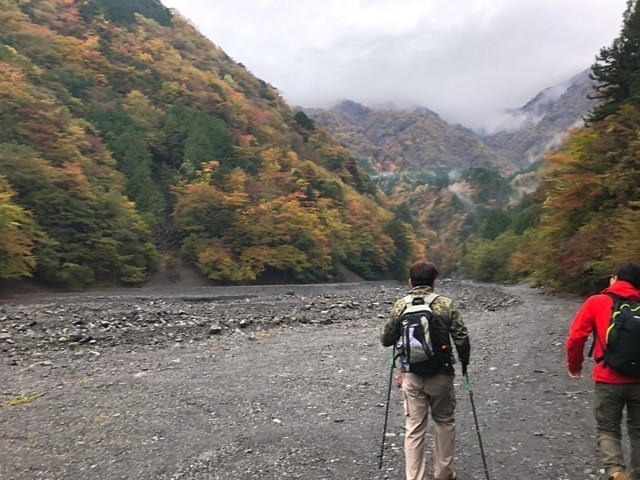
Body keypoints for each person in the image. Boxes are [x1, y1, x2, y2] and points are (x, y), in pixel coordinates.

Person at [380, 260, 470, 480]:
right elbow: (461, 337)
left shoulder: (401, 305)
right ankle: (443, 473)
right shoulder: (446, 305)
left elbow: (386, 339)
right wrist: (464, 363)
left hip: (412, 375)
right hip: (442, 374)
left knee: (414, 427)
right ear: (434, 283)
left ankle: (415, 477)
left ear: (410, 282)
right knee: (445, 421)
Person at [566, 263, 640, 480]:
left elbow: (576, 338)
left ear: (615, 279)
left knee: (608, 429)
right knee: (638, 430)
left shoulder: (597, 301)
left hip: (608, 379)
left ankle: (616, 470)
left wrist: (575, 366)